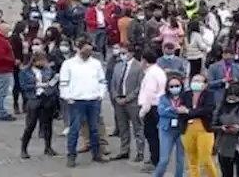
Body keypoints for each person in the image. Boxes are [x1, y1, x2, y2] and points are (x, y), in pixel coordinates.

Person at [58, 37, 107, 167]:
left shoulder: (96, 63)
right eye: (85, 50)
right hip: (76, 102)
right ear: (79, 49)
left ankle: (96, 154)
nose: (88, 53)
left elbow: (102, 81)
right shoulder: (68, 64)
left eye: (90, 50)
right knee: (74, 130)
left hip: (93, 100)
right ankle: (71, 156)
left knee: (94, 129)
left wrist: (100, 95)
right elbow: (63, 83)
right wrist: (68, 97)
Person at [179, 73, 219, 177]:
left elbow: (207, 110)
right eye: (194, 80)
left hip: (204, 130)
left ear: (205, 84)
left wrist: (189, 112)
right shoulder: (186, 95)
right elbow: (180, 110)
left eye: (199, 81)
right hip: (188, 129)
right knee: (192, 160)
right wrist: (189, 112)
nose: (195, 83)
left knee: (206, 159)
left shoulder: (209, 95)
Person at [153, 73, 189, 177]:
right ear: (167, 87)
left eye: (177, 85)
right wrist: (177, 111)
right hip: (166, 130)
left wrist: (178, 112)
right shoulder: (163, 98)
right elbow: (162, 111)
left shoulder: (185, 97)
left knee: (180, 160)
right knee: (163, 160)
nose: (174, 88)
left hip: (181, 129)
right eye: (172, 86)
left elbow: (188, 111)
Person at [18, 52, 59, 158]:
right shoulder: (25, 72)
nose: (44, 63)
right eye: (42, 61)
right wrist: (37, 85)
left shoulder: (49, 71)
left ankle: (48, 147)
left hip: (47, 98)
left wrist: (50, 89)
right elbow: (23, 86)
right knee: (30, 125)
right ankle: (24, 149)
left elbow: (54, 83)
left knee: (48, 125)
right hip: (34, 99)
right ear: (35, 61)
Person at [109, 44, 145, 162]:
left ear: (131, 53)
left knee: (137, 127)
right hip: (119, 100)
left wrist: (128, 98)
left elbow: (139, 86)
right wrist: (116, 97)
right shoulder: (117, 66)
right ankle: (124, 150)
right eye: (121, 53)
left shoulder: (139, 67)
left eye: (124, 53)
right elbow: (113, 83)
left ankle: (140, 152)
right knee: (123, 127)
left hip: (132, 101)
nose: (122, 55)